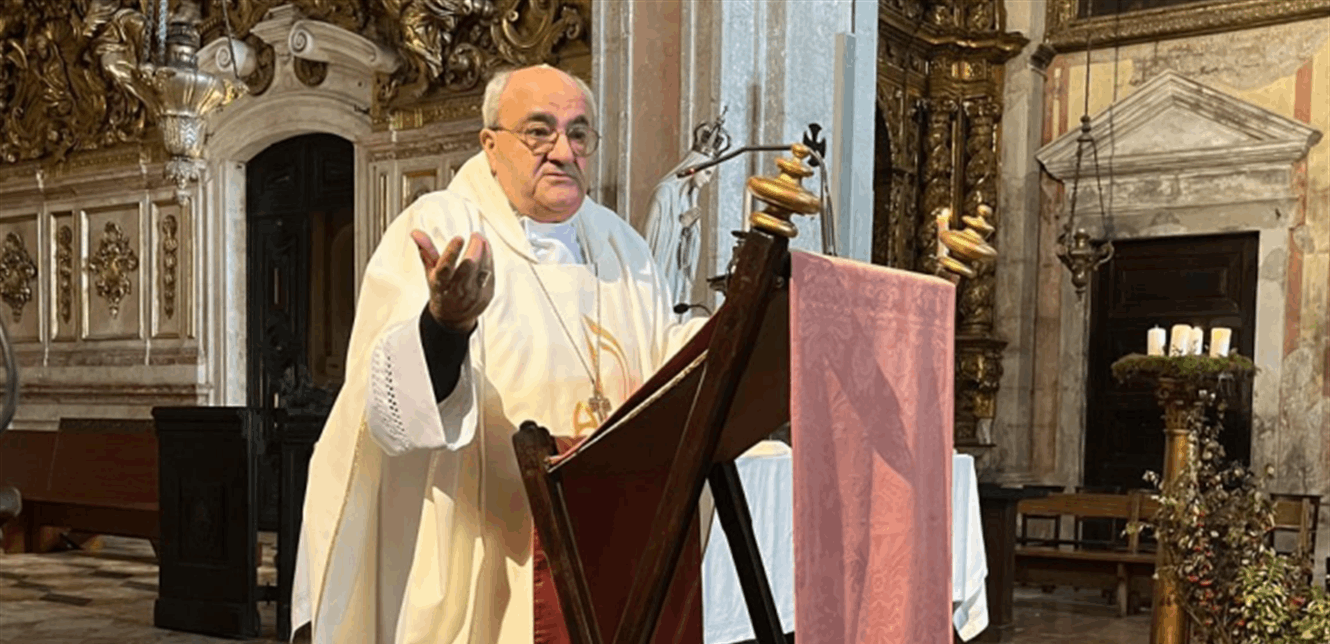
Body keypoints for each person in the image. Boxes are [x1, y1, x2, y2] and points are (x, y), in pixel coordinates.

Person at [291, 64, 708, 643]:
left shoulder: (623, 245)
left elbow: (665, 358)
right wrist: (446, 325)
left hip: (602, 535)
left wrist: (736, 331)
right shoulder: (443, 225)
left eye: (579, 133)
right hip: (479, 540)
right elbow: (391, 407)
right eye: (538, 131)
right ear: (490, 144)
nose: (562, 151)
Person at [642, 109, 729, 322]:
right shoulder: (664, 193)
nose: (708, 180)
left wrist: (689, 230)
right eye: (707, 173)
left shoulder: (690, 199)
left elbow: (689, 249)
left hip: (677, 277)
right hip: (661, 274)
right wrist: (681, 224)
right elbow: (650, 242)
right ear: (694, 167)